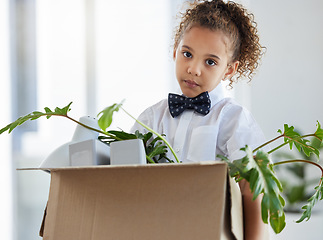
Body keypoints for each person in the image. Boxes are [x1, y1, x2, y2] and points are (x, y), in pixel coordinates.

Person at [131, 0, 268, 239]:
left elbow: (253, 189)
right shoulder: (151, 118)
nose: (194, 69)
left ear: (229, 69)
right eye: (187, 54)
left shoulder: (234, 120)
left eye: (210, 62)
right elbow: (126, 177)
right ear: (175, 51)